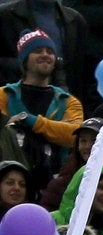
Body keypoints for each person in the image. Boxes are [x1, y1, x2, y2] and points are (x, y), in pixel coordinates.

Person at [1, 29, 83, 194]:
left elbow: (73, 135)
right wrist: (53, 130)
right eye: (38, 51)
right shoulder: (4, 95)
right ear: (24, 60)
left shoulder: (68, 101)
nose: (45, 55)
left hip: (53, 186)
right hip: (10, 185)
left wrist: (30, 120)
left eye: (50, 51)